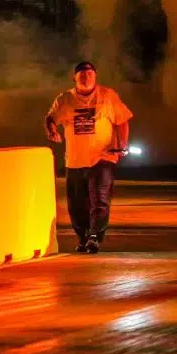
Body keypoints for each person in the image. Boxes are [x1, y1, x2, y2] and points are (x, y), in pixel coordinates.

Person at [45, 61, 133, 254]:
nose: (87, 77)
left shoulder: (107, 96)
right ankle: (83, 238)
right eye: (82, 74)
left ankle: (94, 237)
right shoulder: (65, 99)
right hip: (75, 161)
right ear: (74, 78)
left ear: (96, 76)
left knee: (100, 200)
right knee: (76, 205)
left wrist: (121, 145)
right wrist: (51, 130)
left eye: (90, 73)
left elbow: (123, 120)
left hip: (102, 158)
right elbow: (51, 118)